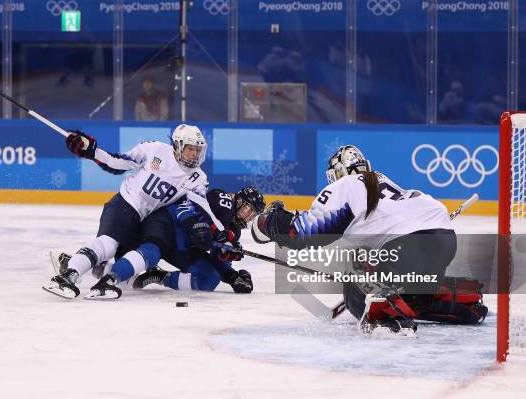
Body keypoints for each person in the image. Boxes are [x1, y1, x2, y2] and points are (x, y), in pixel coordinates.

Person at [251, 145, 488, 336]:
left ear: (339, 173)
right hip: (444, 241)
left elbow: (306, 232)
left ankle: (390, 318)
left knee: (355, 270)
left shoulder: (347, 185)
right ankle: (464, 305)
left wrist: (267, 225)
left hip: (408, 245)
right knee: (413, 294)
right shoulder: (382, 182)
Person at [43, 123, 210, 299]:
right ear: (178, 145)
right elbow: (117, 162)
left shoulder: (198, 178)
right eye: (190, 148)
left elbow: (197, 206)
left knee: (127, 279)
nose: (194, 154)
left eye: (197, 150)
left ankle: (72, 262)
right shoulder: (154, 149)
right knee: (107, 245)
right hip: (124, 204)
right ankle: (67, 276)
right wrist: (92, 151)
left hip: (143, 221)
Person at [128, 186, 266, 297]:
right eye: (248, 210)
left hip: (182, 249)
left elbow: (217, 259)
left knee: (209, 280)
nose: (248, 216)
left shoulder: (235, 231)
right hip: (166, 230)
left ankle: (159, 276)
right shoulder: (223, 200)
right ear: (239, 200)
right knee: (138, 257)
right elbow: (188, 209)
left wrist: (233, 277)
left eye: (252, 215)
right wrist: (226, 239)